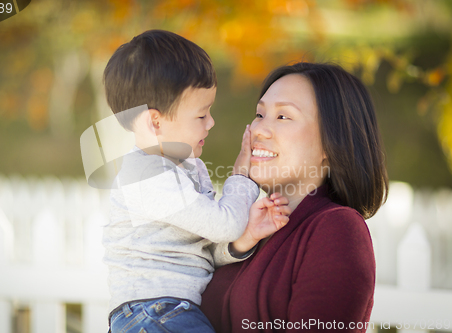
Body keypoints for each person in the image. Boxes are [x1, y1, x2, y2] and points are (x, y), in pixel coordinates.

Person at [102, 30, 292, 333]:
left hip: (166, 311)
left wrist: (243, 239)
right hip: (152, 311)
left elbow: (201, 247)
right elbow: (224, 224)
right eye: (201, 115)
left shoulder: (187, 167)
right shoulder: (147, 176)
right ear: (155, 121)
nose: (211, 122)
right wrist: (241, 178)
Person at [201, 62, 389, 333]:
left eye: (283, 117)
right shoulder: (242, 224)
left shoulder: (338, 230)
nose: (258, 130)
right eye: (259, 114)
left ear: (331, 141)